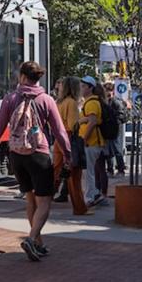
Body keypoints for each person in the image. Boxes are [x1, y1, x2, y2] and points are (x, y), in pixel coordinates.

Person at [0, 61, 71, 262]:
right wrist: (68, 154)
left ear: (22, 77)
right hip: (39, 154)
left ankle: (38, 243)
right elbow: (59, 131)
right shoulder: (46, 100)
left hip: (16, 155)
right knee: (44, 201)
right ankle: (32, 238)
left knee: (30, 199)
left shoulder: (10, 99)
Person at [51, 77, 89, 215]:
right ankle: (80, 208)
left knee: (55, 171)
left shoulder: (58, 103)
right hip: (69, 138)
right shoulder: (72, 103)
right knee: (74, 174)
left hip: (58, 138)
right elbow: (73, 125)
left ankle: (42, 201)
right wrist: (83, 120)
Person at [79, 76, 108, 207]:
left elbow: (92, 122)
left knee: (88, 172)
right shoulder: (90, 102)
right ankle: (95, 194)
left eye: (84, 86)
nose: (81, 88)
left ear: (90, 88)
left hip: (91, 143)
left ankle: (90, 197)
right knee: (88, 172)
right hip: (92, 143)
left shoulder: (91, 103)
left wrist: (84, 139)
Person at [103, 81, 129, 176]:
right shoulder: (106, 102)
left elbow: (121, 116)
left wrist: (113, 122)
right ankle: (110, 170)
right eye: (106, 90)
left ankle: (120, 170)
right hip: (108, 130)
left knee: (117, 150)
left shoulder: (116, 102)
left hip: (115, 129)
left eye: (108, 90)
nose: (107, 92)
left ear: (112, 91)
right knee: (108, 151)